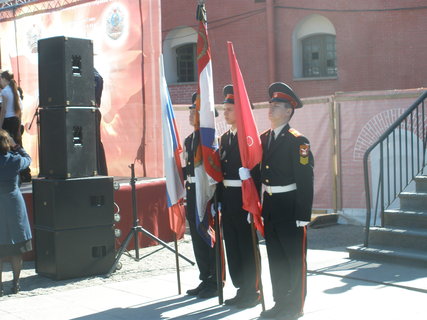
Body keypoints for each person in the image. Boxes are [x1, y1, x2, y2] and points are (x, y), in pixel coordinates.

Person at [259, 82, 314, 320]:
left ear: (289, 111)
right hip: (270, 206)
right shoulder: (264, 138)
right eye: (270, 105)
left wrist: (303, 215)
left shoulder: (297, 141)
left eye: (276, 106)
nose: (270, 110)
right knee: (276, 258)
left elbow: (306, 180)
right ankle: (279, 302)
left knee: (293, 258)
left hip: (290, 207)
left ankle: (294, 306)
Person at [219, 85, 260, 309]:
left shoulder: (249, 139)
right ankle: (240, 288)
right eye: (224, 109)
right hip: (228, 198)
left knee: (247, 245)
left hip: (244, 198)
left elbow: (258, 173)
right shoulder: (225, 138)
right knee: (233, 244)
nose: (225, 113)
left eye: (229, 109)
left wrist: (253, 204)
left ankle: (252, 290)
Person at [183, 92, 217, 299]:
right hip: (192, 192)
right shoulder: (189, 140)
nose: (190, 113)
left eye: (194, 111)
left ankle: (215, 281)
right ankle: (205, 277)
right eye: (190, 110)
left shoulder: (209, 140)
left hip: (205, 194)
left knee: (207, 236)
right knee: (196, 236)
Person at [0, 129, 32, 296]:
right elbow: (28, 159)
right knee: (16, 250)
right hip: (14, 205)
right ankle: (16, 284)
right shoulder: (15, 160)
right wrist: (16, 145)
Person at [0, 71, 22, 147]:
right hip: (16, 120)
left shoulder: (4, 92)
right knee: (15, 143)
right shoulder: (15, 90)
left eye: (0, 78)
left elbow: (3, 110)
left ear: (4, 79)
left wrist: (0, 124)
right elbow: (19, 109)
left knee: (7, 145)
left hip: (7, 121)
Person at [94, 68, 108, 176]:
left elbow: (98, 79)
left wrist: (94, 101)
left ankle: (100, 170)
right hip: (89, 110)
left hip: (90, 111)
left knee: (94, 142)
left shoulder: (92, 73)